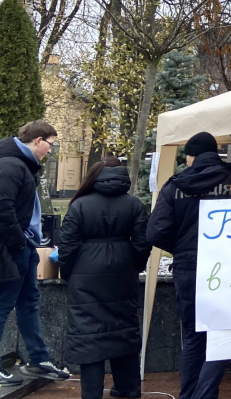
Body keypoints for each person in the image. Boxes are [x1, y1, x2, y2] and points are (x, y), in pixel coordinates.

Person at [0, 120, 71, 386]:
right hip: (11, 249)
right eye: (51, 145)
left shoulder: (20, 166)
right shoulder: (10, 166)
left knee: (28, 303)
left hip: (22, 247)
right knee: (1, 304)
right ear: (38, 140)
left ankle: (38, 359)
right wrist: (19, 244)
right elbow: (1, 210)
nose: (50, 151)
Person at [147, 132, 231, 399]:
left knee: (193, 336)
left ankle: (188, 395)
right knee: (222, 333)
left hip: (188, 268)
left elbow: (155, 232)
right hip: (228, 267)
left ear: (191, 156)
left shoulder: (175, 185)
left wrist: (183, 250)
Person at [56, 155, 150, 399]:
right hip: (123, 273)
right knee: (124, 328)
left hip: (85, 275)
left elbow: (67, 245)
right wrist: (134, 266)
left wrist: (68, 273)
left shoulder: (79, 205)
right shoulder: (134, 204)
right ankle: (128, 388)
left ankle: (92, 393)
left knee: (88, 335)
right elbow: (142, 243)